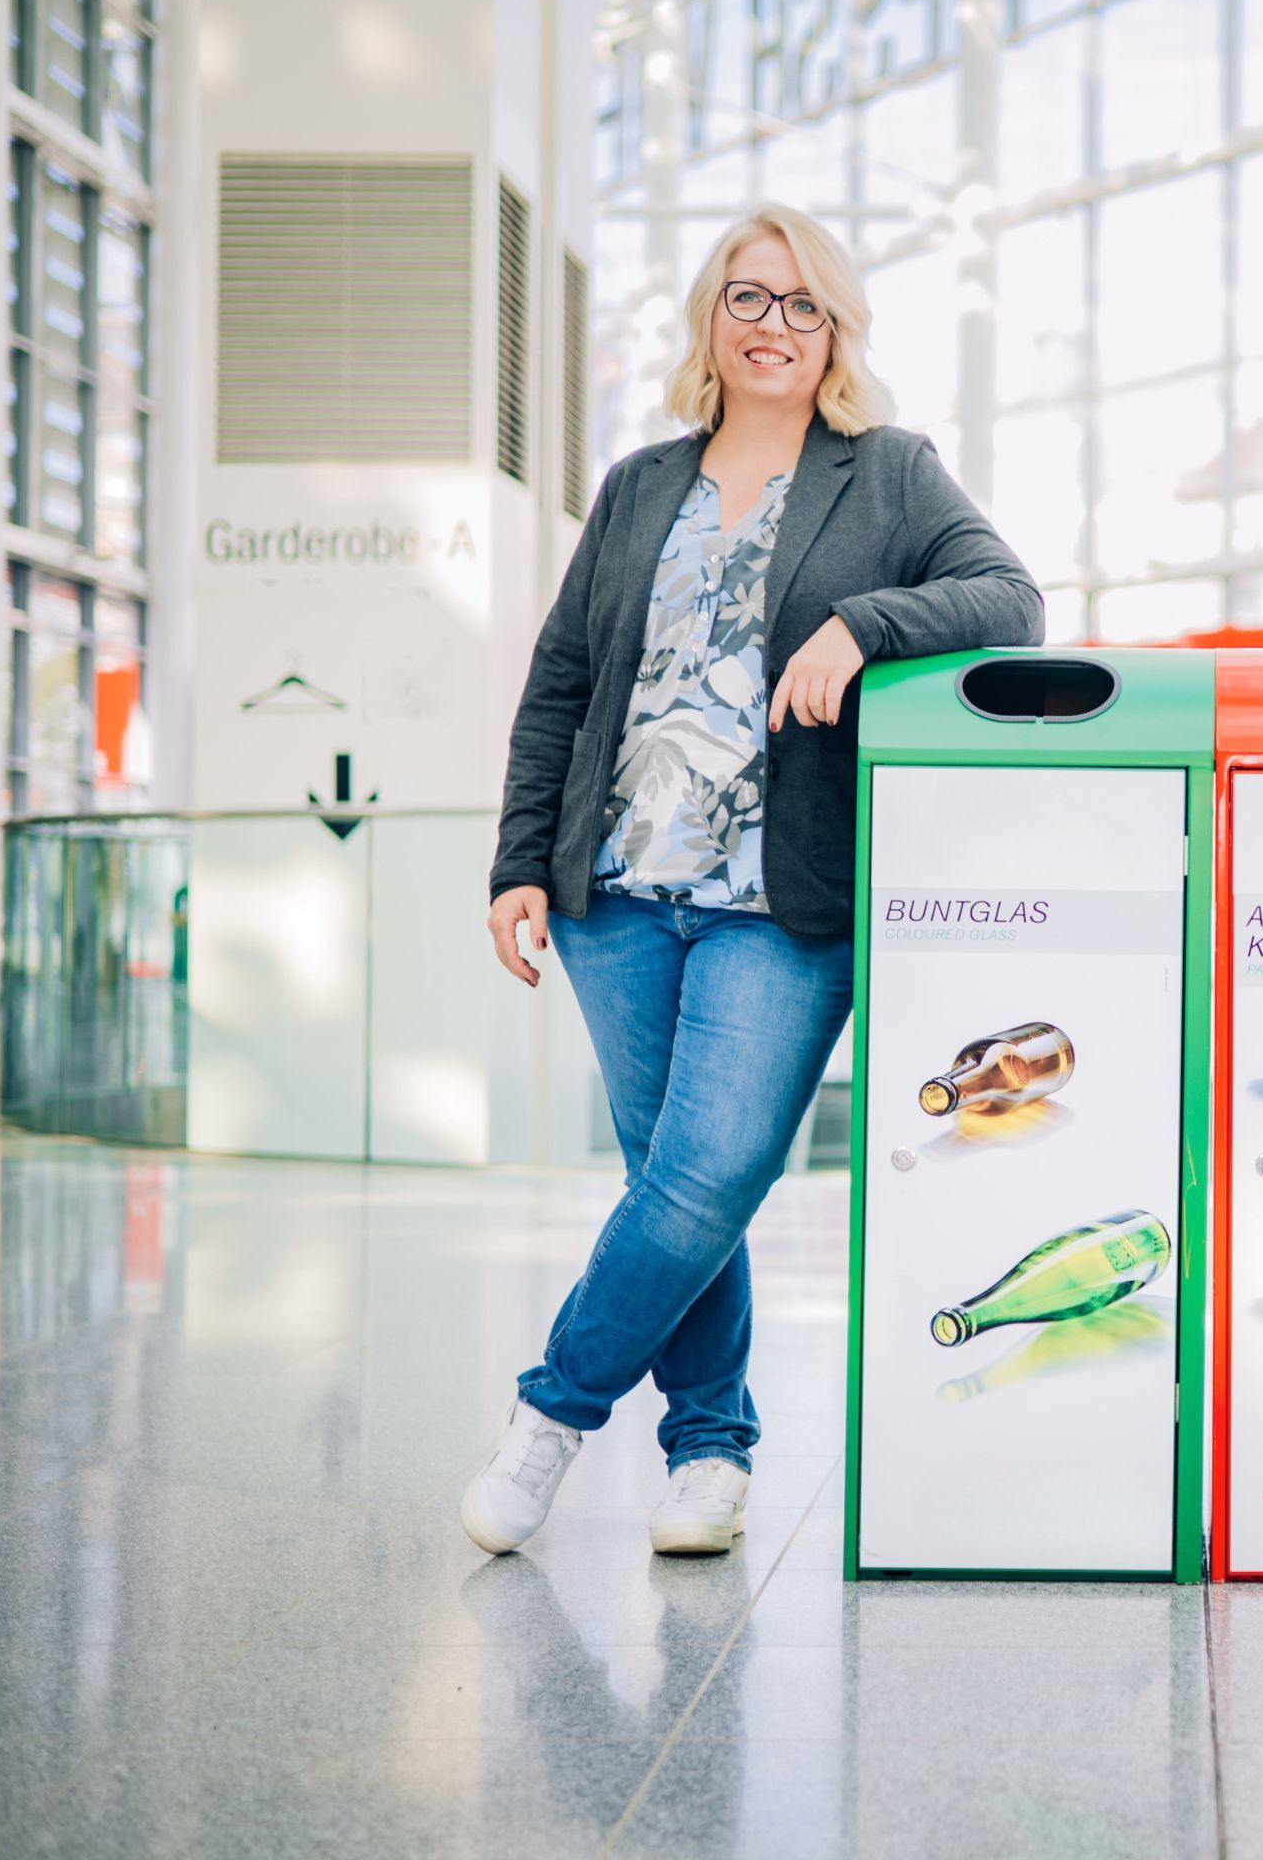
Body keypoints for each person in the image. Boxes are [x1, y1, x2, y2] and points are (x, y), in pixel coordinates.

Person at [466, 204, 1042, 1558]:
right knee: (682, 1182)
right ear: (708, 322)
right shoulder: (636, 486)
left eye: (799, 303)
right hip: (615, 891)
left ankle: (549, 1421)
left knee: (706, 1174)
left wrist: (862, 623)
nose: (772, 324)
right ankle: (710, 1453)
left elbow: (1008, 600)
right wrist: (516, 864)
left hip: (777, 903)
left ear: (834, 329)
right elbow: (561, 685)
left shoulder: (886, 473)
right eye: (747, 298)